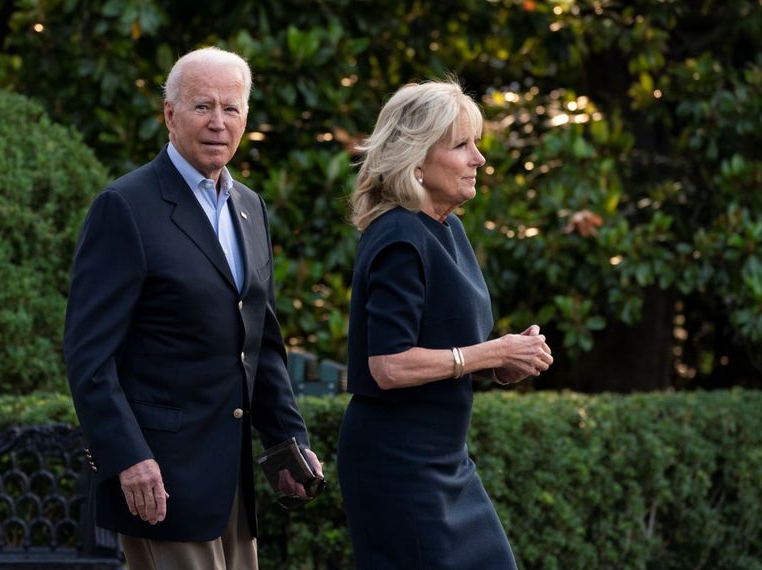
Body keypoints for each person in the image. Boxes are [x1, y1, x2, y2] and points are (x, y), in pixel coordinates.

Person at [63, 47, 323, 570]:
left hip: (232, 482)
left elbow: (261, 342)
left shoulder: (250, 207)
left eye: (232, 108)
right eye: (202, 106)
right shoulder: (125, 206)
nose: (218, 123)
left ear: (246, 118)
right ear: (169, 114)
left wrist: (288, 440)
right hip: (160, 481)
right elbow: (89, 356)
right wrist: (128, 457)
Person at [337, 80, 554, 569]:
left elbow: (447, 347)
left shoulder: (447, 228)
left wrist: (506, 362)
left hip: (446, 459)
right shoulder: (398, 236)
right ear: (415, 159)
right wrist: (493, 353)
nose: (478, 159)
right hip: (398, 465)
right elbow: (388, 366)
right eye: (461, 145)